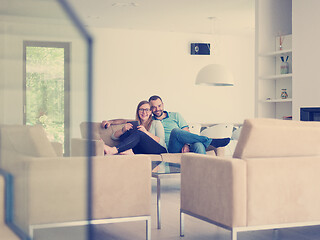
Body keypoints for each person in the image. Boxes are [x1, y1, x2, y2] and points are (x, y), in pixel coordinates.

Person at [148, 95, 230, 154]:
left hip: (182, 144)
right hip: (170, 148)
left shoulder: (175, 115)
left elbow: (185, 131)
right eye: (154, 107)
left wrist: (186, 144)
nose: (157, 109)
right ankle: (210, 141)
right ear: (150, 109)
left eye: (159, 106)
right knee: (175, 131)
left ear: (162, 104)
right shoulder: (150, 121)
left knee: (199, 145)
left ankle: (202, 174)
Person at [101, 100, 167, 155]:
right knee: (127, 132)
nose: (144, 112)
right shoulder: (135, 123)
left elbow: (161, 141)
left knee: (140, 133)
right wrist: (123, 130)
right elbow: (113, 137)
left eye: (147, 110)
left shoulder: (156, 123)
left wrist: (145, 132)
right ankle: (130, 151)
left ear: (150, 112)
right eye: (141, 109)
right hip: (143, 151)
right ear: (138, 112)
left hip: (160, 150)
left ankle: (113, 150)